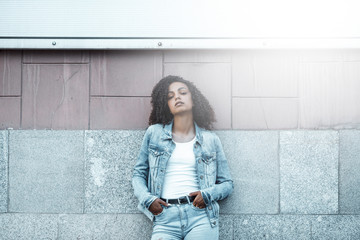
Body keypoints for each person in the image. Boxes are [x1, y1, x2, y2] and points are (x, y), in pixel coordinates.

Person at [132, 75, 233, 240]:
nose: (177, 97)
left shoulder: (210, 139)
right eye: (170, 96)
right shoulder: (154, 133)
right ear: (167, 106)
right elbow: (138, 173)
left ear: (193, 100)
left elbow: (227, 184)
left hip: (200, 216)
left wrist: (208, 195)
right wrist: (147, 200)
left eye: (182, 93)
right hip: (165, 218)